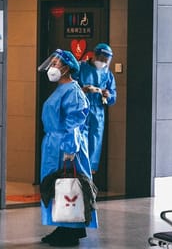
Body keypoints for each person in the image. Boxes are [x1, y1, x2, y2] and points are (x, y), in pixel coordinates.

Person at [37, 49, 97, 247]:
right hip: (55, 144)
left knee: (68, 185)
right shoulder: (62, 89)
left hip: (66, 146)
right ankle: (64, 227)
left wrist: (70, 148)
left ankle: (70, 230)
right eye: (52, 62)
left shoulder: (74, 91)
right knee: (57, 186)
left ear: (67, 68)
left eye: (56, 63)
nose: (52, 67)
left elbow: (75, 122)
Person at [73, 43, 116, 174]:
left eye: (105, 60)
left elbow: (113, 96)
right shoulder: (80, 68)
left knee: (95, 141)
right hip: (81, 110)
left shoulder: (107, 74)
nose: (103, 63)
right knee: (80, 140)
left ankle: (90, 172)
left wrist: (108, 95)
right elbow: (70, 89)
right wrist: (83, 90)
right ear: (95, 55)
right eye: (101, 59)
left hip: (98, 113)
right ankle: (79, 169)